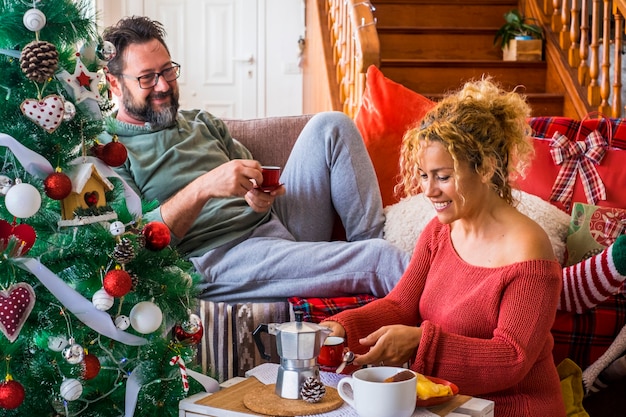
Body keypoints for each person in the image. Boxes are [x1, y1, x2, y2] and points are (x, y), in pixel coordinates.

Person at [98, 16, 410, 303]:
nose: (164, 85)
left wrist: (258, 196)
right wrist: (205, 187)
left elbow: (254, 183)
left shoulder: (202, 122)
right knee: (378, 260)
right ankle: (396, 273)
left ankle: (371, 244)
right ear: (114, 83)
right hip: (219, 255)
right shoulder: (110, 151)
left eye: (167, 71)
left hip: (275, 226)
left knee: (332, 125)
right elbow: (134, 244)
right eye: (147, 78)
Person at [321, 79, 567, 417]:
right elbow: (400, 305)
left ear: (486, 168)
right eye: (424, 176)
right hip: (449, 404)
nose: (429, 191)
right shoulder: (439, 232)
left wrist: (421, 342)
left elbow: (512, 358)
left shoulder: (529, 249)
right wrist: (343, 328)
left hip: (512, 409)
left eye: (443, 176)